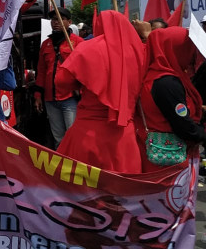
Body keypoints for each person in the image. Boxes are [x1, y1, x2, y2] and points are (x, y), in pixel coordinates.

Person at [55, 11, 145, 172]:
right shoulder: (141, 51)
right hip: (124, 136)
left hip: (89, 134)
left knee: (81, 191)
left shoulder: (87, 48)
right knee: (123, 191)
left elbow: (61, 83)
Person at [139, 27, 205, 172]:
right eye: (188, 47)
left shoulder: (159, 75)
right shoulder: (167, 83)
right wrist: (202, 133)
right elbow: (184, 126)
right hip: (170, 160)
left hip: (164, 156)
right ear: (176, 49)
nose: (193, 53)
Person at [34, 7, 85, 148]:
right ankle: (63, 168)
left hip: (70, 99)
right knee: (59, 139)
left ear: (69, 22)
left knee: (73, 136)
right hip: (50, 100)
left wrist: (80, 91)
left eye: (60, 19)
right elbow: (41, 71)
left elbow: (86, 71)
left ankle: (77, 167)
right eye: (53, 19)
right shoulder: (46, 45)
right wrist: (38, 95)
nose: (56, 22)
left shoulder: (78, 43)